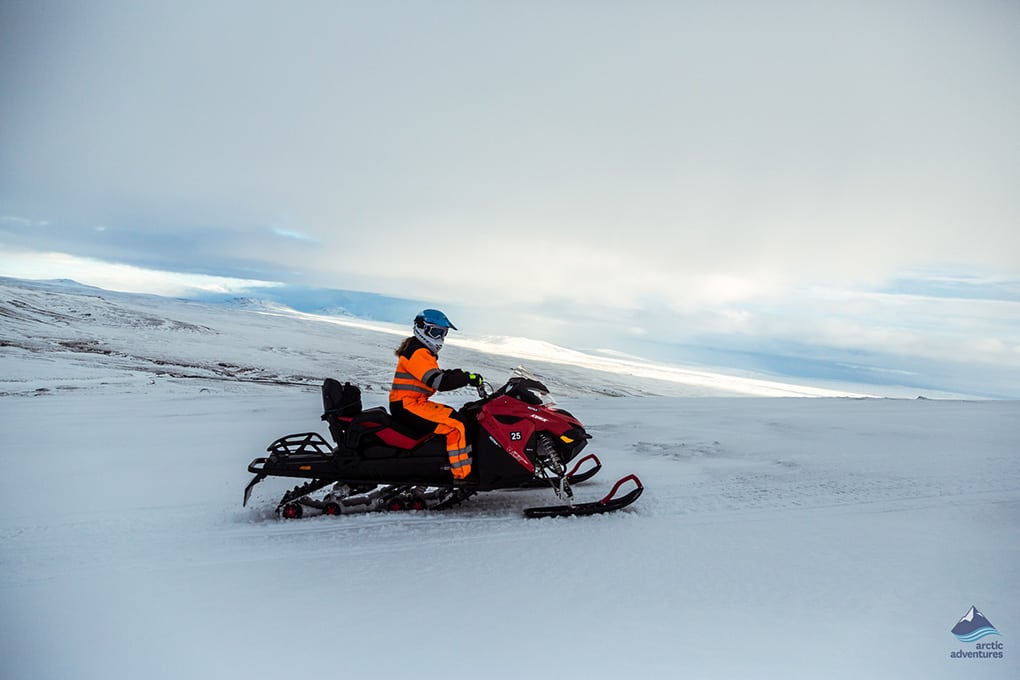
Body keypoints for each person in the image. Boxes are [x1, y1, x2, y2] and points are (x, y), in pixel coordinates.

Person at [389, 309, 483, 482]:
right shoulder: (417, 353)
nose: (439, 338)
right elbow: (438, 381)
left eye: (443, 333)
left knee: (459, 417)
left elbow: (434, 373)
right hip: (408, 405)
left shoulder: (420, 351)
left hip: (413, 403)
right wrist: (464, 378)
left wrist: (460, 374)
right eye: (436, 332)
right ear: (421, 328)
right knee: (456, 426)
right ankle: (462, 475)